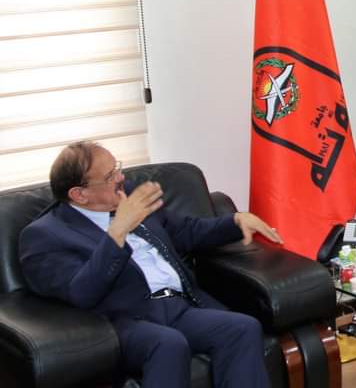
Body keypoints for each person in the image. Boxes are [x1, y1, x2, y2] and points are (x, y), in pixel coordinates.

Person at [19, 140, 284, 388]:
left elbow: (185, 231)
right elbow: (82, 291)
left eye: (117, 168)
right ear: (80, 194)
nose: (121, 178)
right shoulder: (44, 235)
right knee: (168, 344)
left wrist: (235, 221)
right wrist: (118, 231)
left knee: (242, 328)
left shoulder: (130, 196)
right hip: (125, 320)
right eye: (110, 176)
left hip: (178, 306)